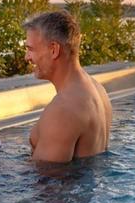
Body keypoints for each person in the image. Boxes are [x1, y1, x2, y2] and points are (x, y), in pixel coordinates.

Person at [24, 11, 112, 163]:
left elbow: (48, 175)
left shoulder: (62, 110)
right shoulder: (98, 90)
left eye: (31, 49)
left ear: (54, 50)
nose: (27, 57)